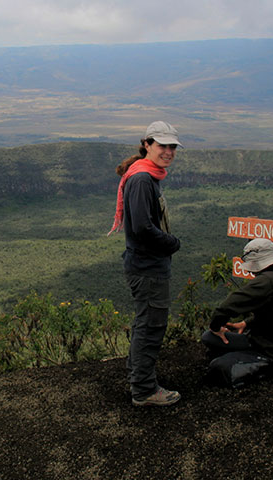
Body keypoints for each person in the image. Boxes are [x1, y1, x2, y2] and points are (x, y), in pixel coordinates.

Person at [109, 120, 182, 407]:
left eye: (172, 146)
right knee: (151, 327)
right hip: (147, 267)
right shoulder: (141, 180)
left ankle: (139, 378)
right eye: (162, 145)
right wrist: (172, 243)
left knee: (145, 324)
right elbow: (141, 227)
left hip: (146, 265)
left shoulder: (146, 176)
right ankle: (144, 390)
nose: (168, 151)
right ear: (147, 144)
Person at [203, 238, 273, 370]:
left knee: (208, 337)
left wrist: (216, 327)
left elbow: (226, 307)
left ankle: (254, 357)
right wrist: (246, 323)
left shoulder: (266, 281)